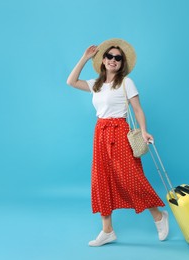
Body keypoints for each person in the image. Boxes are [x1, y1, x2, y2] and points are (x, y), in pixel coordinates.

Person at [66, 38, 169, 247]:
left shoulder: (126, 82)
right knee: (101, 179)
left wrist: (144, 131)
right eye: (110, 56)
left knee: (131, 177)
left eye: (118, 58)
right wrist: (85, 58)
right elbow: (71, 81)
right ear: (103, 60)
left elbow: (138, 109)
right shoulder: (95, 84)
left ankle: (159, 216)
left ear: (122, 63)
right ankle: (107, 230)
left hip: (120, 131)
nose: (113, 60)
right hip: (101, 133)